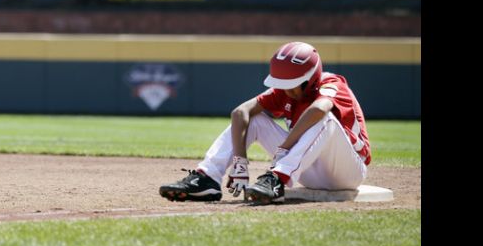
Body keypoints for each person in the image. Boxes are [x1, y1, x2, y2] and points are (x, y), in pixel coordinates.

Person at [159, 41, 371, 205]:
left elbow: (318, 109)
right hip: (307, 169)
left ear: (311, 78)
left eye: (292, 84)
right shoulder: (284, 91)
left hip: (347, 172)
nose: (286, 89)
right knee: (255, 120)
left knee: (325, 119)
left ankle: (277, 179)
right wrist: (240, 160)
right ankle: (207, 178)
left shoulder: (332, 83)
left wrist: (285, 147)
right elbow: (240, 112)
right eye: (283, 84)